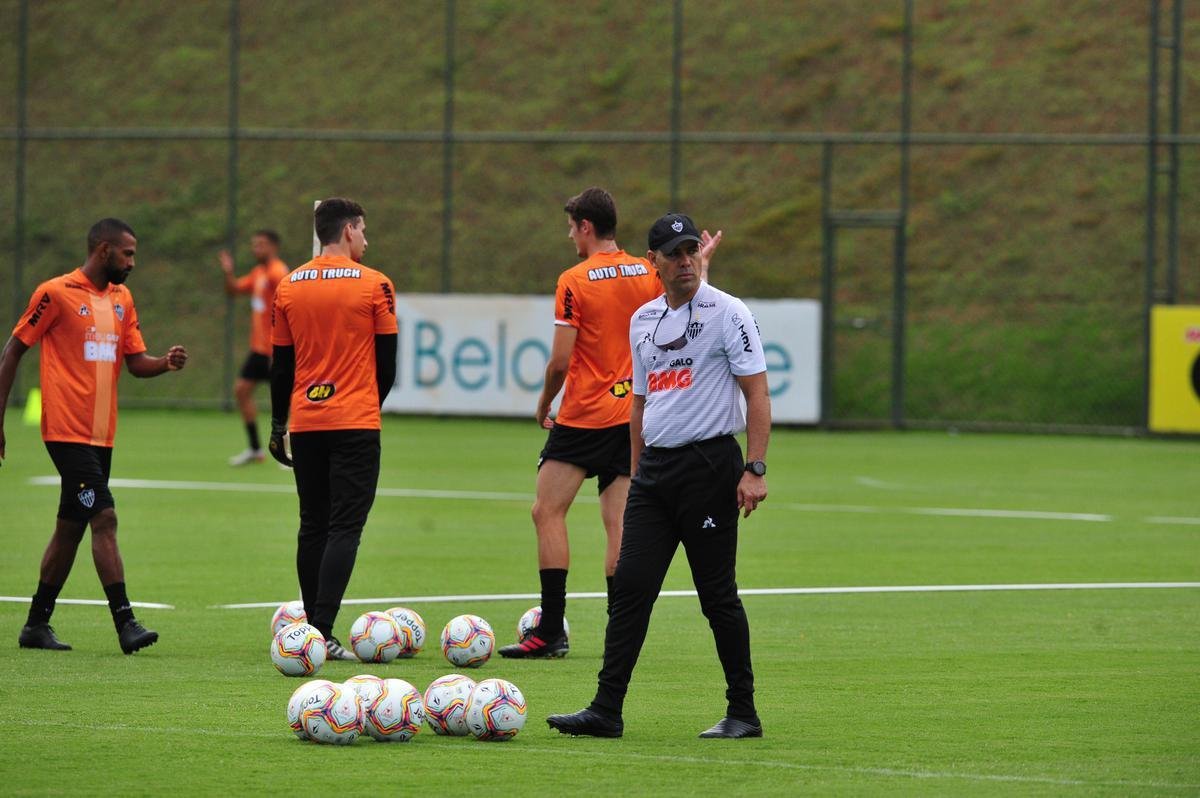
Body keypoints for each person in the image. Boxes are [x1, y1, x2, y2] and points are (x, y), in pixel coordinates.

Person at [547, 213, 771, 739]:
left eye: (691, 250)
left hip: (709, 467)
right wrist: (636, 471)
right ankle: (606, 709)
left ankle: (743, 712)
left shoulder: (729, 311)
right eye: (674, 253)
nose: (685, 260)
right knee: (630, 588)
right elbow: (640, 404)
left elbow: (757, 392)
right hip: (654, 474)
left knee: (716, 595)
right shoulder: (643, 319)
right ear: (655, 261)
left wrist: (754, 468)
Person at [499, 188, 719, 659]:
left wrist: (544, 403)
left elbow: (561, 361)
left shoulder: (574, 280)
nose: (570, 236)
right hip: (632, 416)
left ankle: (551, 631)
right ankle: (619, 636)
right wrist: (703, 265)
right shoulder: (646, 269)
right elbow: (686, 300)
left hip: (583, 416)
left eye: (571, 227)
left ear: (585, 226)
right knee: (619, 524)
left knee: (546, 511)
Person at [0, 218, 189, 653]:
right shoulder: (55, 293)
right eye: (128, 253)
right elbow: (13, 350)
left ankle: (35, 624)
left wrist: (165, 363)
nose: (133, 262)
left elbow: (136, 362)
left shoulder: (123, 299)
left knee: (71, 527)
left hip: (102, 436)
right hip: (66, 431)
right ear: (104, 250)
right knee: (104, 517)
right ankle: (126, 622)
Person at [268, 197, 397, 662]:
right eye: (363, 230)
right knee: (345, 526)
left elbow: (281, 365)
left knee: (312, 524)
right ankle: (320, 632)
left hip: (306, 422)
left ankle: (309, 629)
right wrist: (366, 407)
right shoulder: (376, 284)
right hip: (355, 421)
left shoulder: (288, 285)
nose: (366, 240)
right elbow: (387, 364)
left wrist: (278, 423)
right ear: (348, 230)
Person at [218, 230, 289, 465]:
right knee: (241, 391)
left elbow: (288, 307)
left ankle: (290, 451)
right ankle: (256, 449)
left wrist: (281, 349)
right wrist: (228, 272)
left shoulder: (278, 272)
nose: (256, 249)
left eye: (261, 244)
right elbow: (234, 289)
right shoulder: (259, 272)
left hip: (276, 349)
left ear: (274, 247)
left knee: (290, 400)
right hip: (259, 349)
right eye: (254, 244)